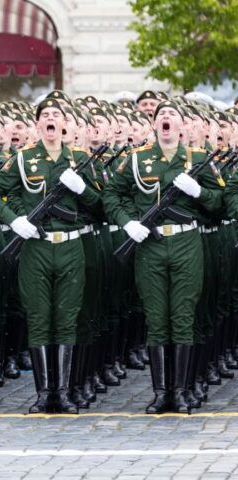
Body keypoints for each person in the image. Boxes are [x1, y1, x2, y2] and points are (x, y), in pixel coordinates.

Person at [102, 100, 223, 414]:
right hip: (151, 245)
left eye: (172, 115)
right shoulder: (137, 159)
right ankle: (160, 393)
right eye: (161, 116)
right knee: (156, 319)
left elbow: (219, 203)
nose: (166, 119)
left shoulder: (196, 159)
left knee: (183, 317)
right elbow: (112, 193)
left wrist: (198, 191)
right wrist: (128, 222)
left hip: (186, 242)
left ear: (182, 127)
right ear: (153, 125)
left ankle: (180, 392)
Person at [0, 98, 101, 414]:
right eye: (44, 115)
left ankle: (62, 393)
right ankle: (43, 394)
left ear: (64, 125)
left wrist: (81, 189)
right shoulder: (22, 160)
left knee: (66, 317)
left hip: (70, 247)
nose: (50, 119)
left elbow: (100, 204)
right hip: (36, 248)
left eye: (56, 115)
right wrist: (14, 220)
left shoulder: (80, 160)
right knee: (38, 317)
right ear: (37, 125)